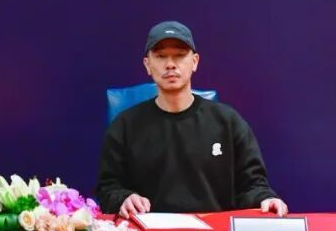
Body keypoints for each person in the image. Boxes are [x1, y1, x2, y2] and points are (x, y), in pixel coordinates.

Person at [96, 21, 288, 219]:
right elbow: (108, 188)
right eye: (161, 56)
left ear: (195, 62)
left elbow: (253, 185)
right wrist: (123, 199)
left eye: (179, 55)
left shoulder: (228, 122)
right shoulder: (125, 126)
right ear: (147, 65)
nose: (170, 64)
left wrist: (266, 198)